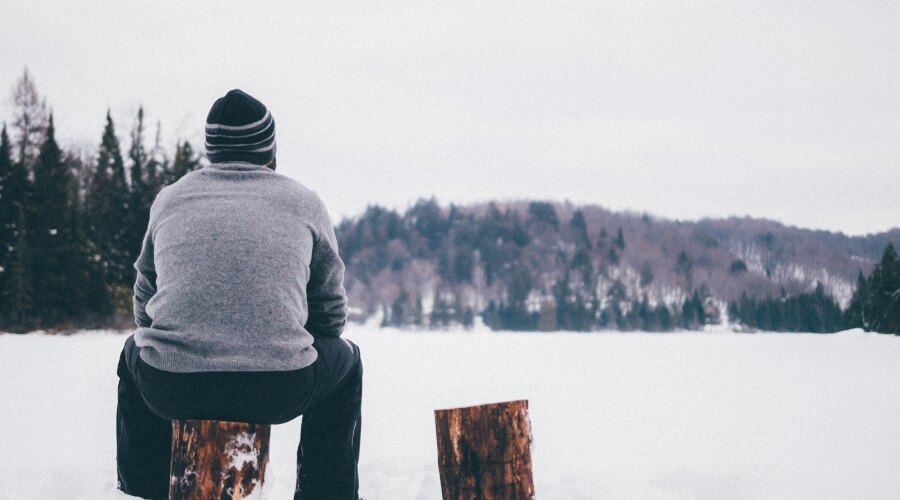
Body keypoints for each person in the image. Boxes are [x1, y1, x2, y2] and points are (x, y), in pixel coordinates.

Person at [115, 89, 362, 500]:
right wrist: (280, 337)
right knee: (347, 361)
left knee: (134, 350)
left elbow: (145, 302)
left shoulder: (171, 199)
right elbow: (331, 313)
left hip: (173, 386)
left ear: (211, 150)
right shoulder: (304, 202)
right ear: (270, 149)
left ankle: (142, 491)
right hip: (278, 387)